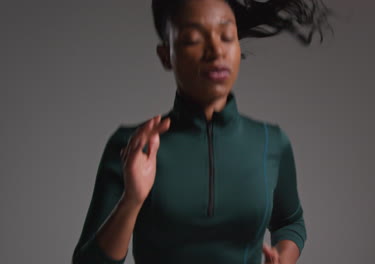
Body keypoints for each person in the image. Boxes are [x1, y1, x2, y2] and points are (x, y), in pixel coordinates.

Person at [72, 0, 333, 263]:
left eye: (227, 36)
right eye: (194, 39)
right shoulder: (133, 146)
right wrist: (131, 200)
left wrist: (283, 259)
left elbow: (291, 222)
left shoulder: (271, 142)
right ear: (166, 56)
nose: (216, 50)